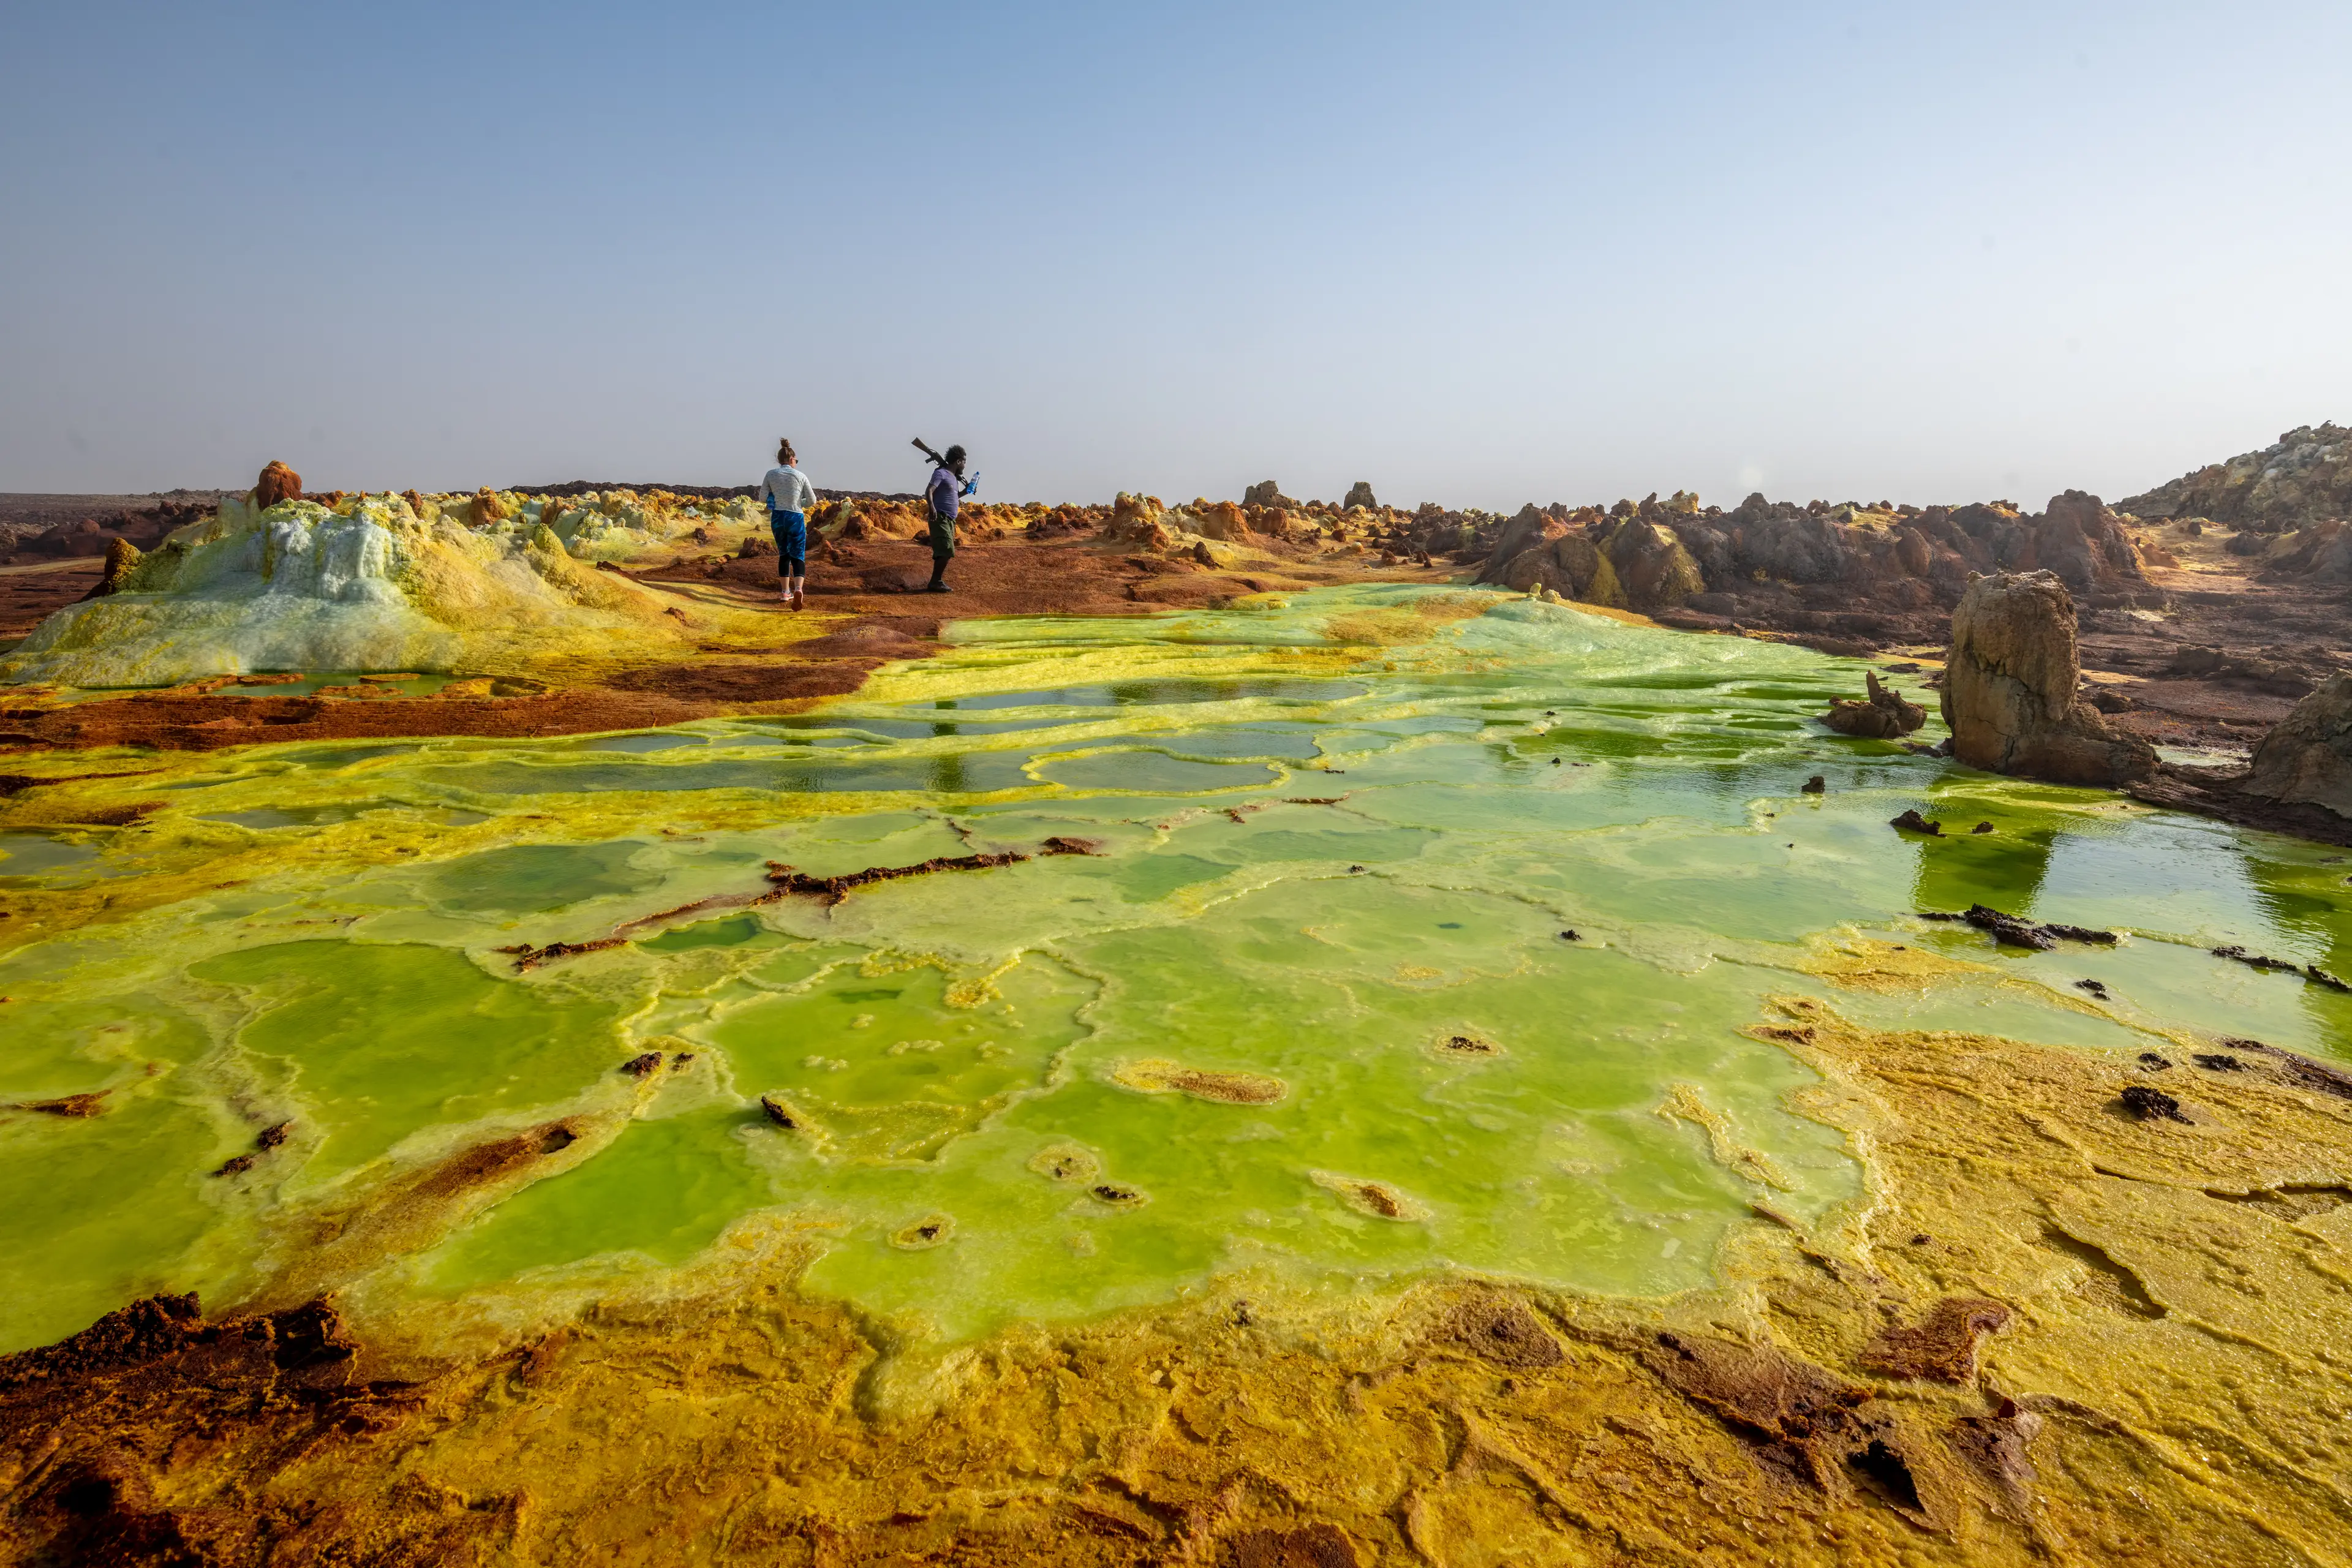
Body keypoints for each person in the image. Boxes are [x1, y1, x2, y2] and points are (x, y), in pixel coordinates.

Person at [758, 439, 817, 609]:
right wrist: (799, 502)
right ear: (792, 459)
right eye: (796, 460)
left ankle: (785, 592)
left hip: (778, 517)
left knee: (784, 554)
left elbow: (762, 498)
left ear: (779, 460)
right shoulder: (801, 476)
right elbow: (812, 500)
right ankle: (798, 589)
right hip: (795, 516)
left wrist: (775, 499)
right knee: (798, 554)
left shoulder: (770, 475)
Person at [923, 444, 974, 593]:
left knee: (943, 550)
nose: (964, 465)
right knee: (947, 549)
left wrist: (965, 492)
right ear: (958, 461)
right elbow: (929, 490)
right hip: (940, 517)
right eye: (964, 462)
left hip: (950, 520)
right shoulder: (941, 474)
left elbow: (953, 497)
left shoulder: (953, 478)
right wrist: (932, 507)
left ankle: (936, 581)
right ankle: (936, 582)